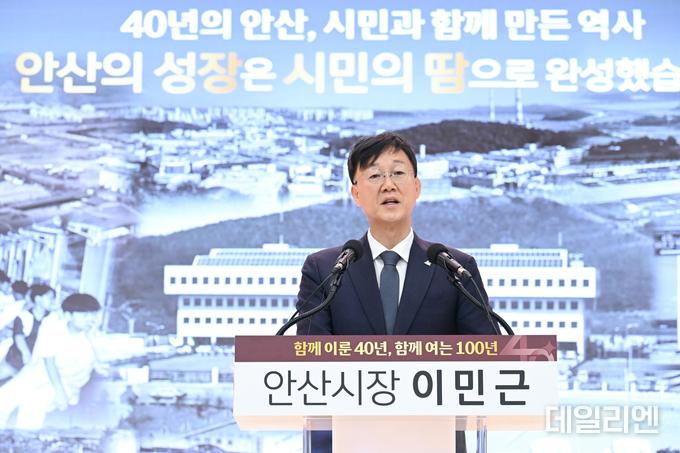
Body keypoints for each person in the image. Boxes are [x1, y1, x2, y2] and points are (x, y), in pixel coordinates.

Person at [295, 132, 497, 452]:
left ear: (416, 188)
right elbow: (308, 360)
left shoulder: (455, 268)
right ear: (355, 193)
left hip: (435, 441)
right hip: (348, 441)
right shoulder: (325, 270)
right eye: (375, 175)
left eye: (398, 173)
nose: (388, 184)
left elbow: (489, 358)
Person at [0, 293, 103, 430]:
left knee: (33, 403)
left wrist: (91, 337)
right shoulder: (50, 329)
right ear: (68, 316)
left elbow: (104, 361)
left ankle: (24, 441)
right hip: (38, 373)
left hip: (67, 381)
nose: (90, 320)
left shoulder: (92, 337)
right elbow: (49, 363)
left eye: (93, 314)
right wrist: (59, 393)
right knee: (3, 400)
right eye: (85, 315)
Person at [0, 284, 57, 381]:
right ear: (38, 299)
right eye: (50, 298)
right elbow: (18, 335)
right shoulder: (23, 316)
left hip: (37, 363)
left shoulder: (53, 318)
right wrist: (25, 352)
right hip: (17, 358)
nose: (53, 302)